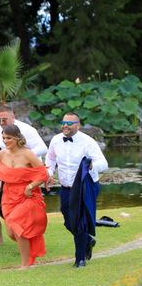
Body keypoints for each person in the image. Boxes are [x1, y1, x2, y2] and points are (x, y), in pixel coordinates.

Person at [45, 113, 108, 268]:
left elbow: (103, 163)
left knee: (79, 221)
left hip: (85, 187)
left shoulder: (87, 142)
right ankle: (87, 240)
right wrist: (49, 173)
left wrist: (92, 165)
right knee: (68, 221)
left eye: (70, 123)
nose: (65, 125)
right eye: (63, 122)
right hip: (66, 187)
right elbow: (50, 159)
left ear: (78, 125)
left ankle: (80, 259)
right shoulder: (56, 140)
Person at [0, 124, 48, 269]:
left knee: (17, 224)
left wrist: (30, 186)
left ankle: (25, 264)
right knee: (12, 232)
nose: (6, 141)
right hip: (8, 196)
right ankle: (29, 249)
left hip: (27, 195)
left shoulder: (28, 154)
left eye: (9, 138)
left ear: (17, 138)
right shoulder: (2, 154)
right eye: (4, 138)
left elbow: (43, 173)